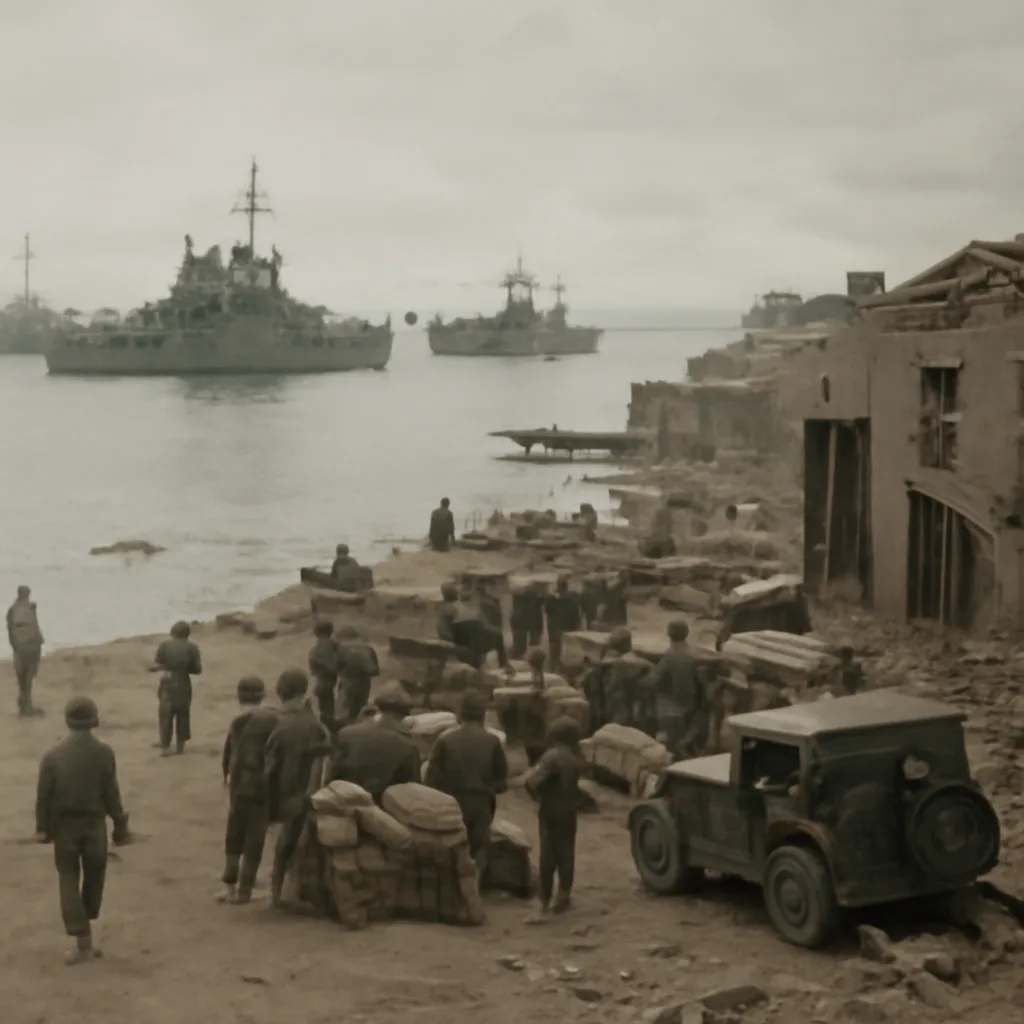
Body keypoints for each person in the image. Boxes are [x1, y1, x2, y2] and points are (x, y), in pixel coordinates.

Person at [34, 696, 132, 964]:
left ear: (67, 721)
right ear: (94, 720)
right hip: (94, 825)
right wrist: (121, 825)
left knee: (67, 877)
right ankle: (86, 937)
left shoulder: (52, 756)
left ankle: (82, 941)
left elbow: (43, 796)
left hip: (65, 827)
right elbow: (112, 794)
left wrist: (42, 829)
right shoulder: (104, 753)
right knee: (95, 875)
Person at [265, 670, 331, 907]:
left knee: (283, 847)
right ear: (304, 691)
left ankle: (278, 894)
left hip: (282, 796)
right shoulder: (315, 725)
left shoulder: (280, 726)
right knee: (298, 846)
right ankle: (290, 893)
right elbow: (323, 762)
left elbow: (270, 765)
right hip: (308, 795)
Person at [425, 689, 508, 880]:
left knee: (451, 850)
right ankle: (474, 895)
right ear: (483, 715)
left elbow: (431, 781)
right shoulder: (492, 741)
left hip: (450, 804)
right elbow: (502, 784)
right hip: (481, 805)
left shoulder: (445, 740)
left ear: (460, 714)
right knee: (478, 852)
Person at [218, 676, 279, 904]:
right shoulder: (273, 718)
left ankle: (230, 887)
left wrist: (228, 781)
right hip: (262, 787)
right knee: (255, 839)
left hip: (239, 787)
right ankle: (245, 889)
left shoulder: (238, 720)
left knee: (234, 835)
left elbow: (228, 756)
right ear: (262, 695)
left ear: (239, 696)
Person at [525, 715, 582, 920]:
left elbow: (531, 783)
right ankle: (563, 896)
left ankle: (544, 901)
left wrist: (537, 799)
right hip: (569, 811)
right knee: (567, 854)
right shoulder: (574, 758)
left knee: (548, 856)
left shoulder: (551, 757)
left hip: (550, 811)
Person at [328, 682, 421, 802]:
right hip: (382, 812)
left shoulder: (347, 734)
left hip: (343, 804)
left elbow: (332, 776)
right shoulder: (408, 747)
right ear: (405, 713)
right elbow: (412, 793)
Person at [647, 620, 703, 759]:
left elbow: (652, 680)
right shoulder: (692, 654)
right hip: (691, 708)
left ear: (669, 634)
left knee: (672, 750)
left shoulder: (670, 656)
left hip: (671, 710)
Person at [151, 620, 202, 756]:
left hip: (167, 680)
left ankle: (165, 745)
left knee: (165, 713)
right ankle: (180, 745)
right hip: (183, 680)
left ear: (172, 632)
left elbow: (159, 663)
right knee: (183, 712)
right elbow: (197, 669)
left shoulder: (164, 645)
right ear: (187, 634)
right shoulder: (192, 647)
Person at [8, 584, 44, 717]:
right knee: (25, 675)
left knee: (25, 675)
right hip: (27, 645)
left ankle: (25, 702)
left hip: (26, 645)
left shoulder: (20, 609)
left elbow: (11, 630)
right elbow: (12, 629)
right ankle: (25, 703)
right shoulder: (20, 609)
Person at [336, 625, 380, 724]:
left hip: (347, 685)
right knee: (361, 711)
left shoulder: (339, 650)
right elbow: (375, 671)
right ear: (357, 636)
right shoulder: (369, 649)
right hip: (364, 685)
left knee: (345, 714)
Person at [307, 620, 341, 731]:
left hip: (323, 680)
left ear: (316, 632)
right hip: (332, 680)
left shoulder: (317, 649)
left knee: (325, 710)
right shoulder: (335, 644)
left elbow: (314, 667)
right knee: (328, 709)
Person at [544, 576, 581, 672]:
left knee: (554, 649)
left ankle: (553, 668)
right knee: (566, 649)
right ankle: (563, 668)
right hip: (567, 627)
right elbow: (575, 614)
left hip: (554, 627)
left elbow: (547, 610)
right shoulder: (572, 598)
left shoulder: (551, 599)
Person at [510, 582, 544, 659]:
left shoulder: (517, 593)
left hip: (522, 620)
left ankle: (519, 656)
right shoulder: (534, 593)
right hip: (530, 621)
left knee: (521, 645)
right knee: (531, 644)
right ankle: (527, 657)